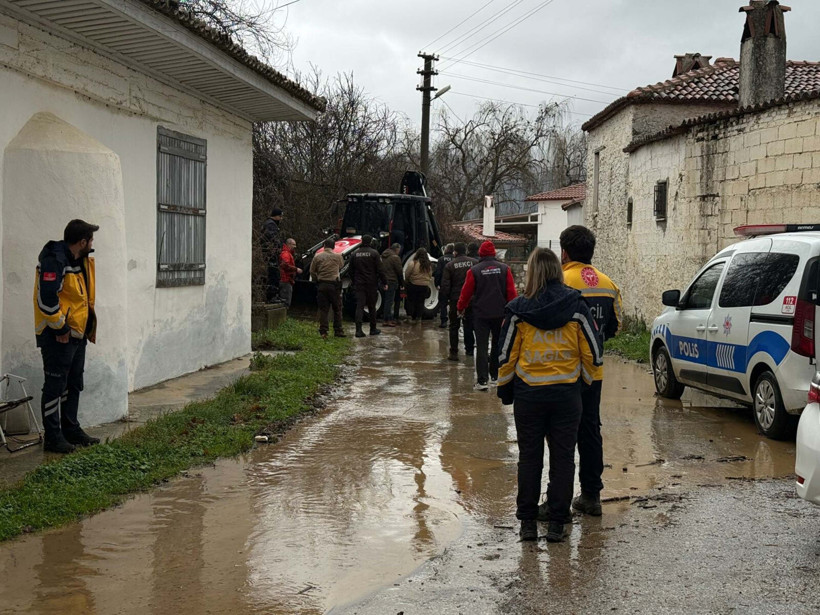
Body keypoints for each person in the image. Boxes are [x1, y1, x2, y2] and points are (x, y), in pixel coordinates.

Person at [497, 247, 603, 542]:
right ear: (558, 270)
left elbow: (505, 356)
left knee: (529, 458)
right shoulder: (577, 306)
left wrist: (505, 389)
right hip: (566, 395)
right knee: (563, 458)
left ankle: (528, 524)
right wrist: (583, 384)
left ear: (531, 271)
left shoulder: (518, 310)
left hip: (529, 396)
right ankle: (557, 523)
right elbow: (593, 353)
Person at [546, 225, 623, 518]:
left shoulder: (558, 281)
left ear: (564, 253)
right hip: (595, 372)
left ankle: (557, 501)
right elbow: (615, 327)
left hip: (562, 371)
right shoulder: (608, 283)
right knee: (590, 431)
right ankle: (591, 495)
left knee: (560, 436)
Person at [33, 219, 102, 454]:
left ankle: (71, 430)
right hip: (58, 336)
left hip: (77, 334)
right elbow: (46, 300)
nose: (92, 244)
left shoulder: (78, 259)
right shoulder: (55, 259)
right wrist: (61, 329)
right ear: (82, 242)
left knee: (73, 383)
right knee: (55, 386)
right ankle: (53, 438)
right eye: (90, 240)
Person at [457, 240, 517, 390]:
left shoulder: (474, 270)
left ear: (481, 253)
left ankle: (482, 381)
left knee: (482, 346)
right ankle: (496, 377)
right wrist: (513, 311)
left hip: (481, 314)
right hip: (500, 313)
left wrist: (460, 307)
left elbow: (466, 292)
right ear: (494, 253)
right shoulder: (505, 269)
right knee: (498, 345)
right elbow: (511, 292)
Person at [440, 242, 477, 361]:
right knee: (469, 324)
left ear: (455, 252)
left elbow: (445, 285)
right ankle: (469, 350)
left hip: (455, 299)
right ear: (465, 251)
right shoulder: (474, 263)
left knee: (454, 326)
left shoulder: (450, 265)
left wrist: (446, 299)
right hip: (471, 299)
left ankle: (454, 352)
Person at [350, 234, 387, 338]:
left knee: (360, 306)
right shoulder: (374, 253)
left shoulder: (355, 254)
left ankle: (358, 330)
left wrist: (355, 281)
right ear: (371, 242)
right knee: (371, 306)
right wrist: (384, 282)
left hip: (359, 284)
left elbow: (350, 270)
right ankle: (373, 329)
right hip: (371, 284)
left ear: (361, 241)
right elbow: (380, 270)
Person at [310, 238, 346, 339]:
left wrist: (316, 279)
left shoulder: (317, 256)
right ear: (334, 247)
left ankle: (323, 331)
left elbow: (312, 271)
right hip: (334, 285)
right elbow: (341, 266)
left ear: (324, 246)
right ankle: (338, 330)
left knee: (323, 309)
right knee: (337, 309)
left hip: (322, 284)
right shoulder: (338, 256)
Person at [261, 208, 283, 303]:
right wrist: (277, 247)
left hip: (270, 253)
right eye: (280, 216)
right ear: (276, 216)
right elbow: (272, 239)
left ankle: (274, 295)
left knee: (273, 274)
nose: (281, 218)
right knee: (273, 274)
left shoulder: (269, 224)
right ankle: (272, 296)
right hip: (271, 254)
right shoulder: (271, 225)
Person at [405, 248, 433, 322]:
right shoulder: (428, 265)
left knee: (411, 301)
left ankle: (410, 317)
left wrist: (407, 281)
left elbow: (407, 273)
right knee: (421, 302)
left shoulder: (413, 263)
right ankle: (419, 318)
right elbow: (430, 275)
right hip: (424, 286)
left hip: (414, 285)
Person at [381, 243, 404, 327]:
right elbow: (399, 272)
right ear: (397, 249)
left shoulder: (383, 255)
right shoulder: (395, 258)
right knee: (389, 301)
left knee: (386, 300)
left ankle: (386, 319)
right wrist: (402, 283)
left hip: (383, 281)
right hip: (392, 281)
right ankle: (388, 320)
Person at [434, 243, 455, 328]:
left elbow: (438, 272)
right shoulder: (456, 259)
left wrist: (437, 283)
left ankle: (444, 321)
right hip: (454, 285)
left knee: (443, 303)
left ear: (446, 249)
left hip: (444, 285)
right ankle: (453, 320)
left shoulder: (441, 259)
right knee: (453, 304)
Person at [279, 238, 302, 308]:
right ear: (288, 244)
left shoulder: (287, 253)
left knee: (286, 300)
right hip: (286, 280)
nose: (295, 247)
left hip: (287, 279)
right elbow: (284, 265)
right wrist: (296, 269)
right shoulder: (286, 254)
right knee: (286, 302)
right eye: (293, 245)